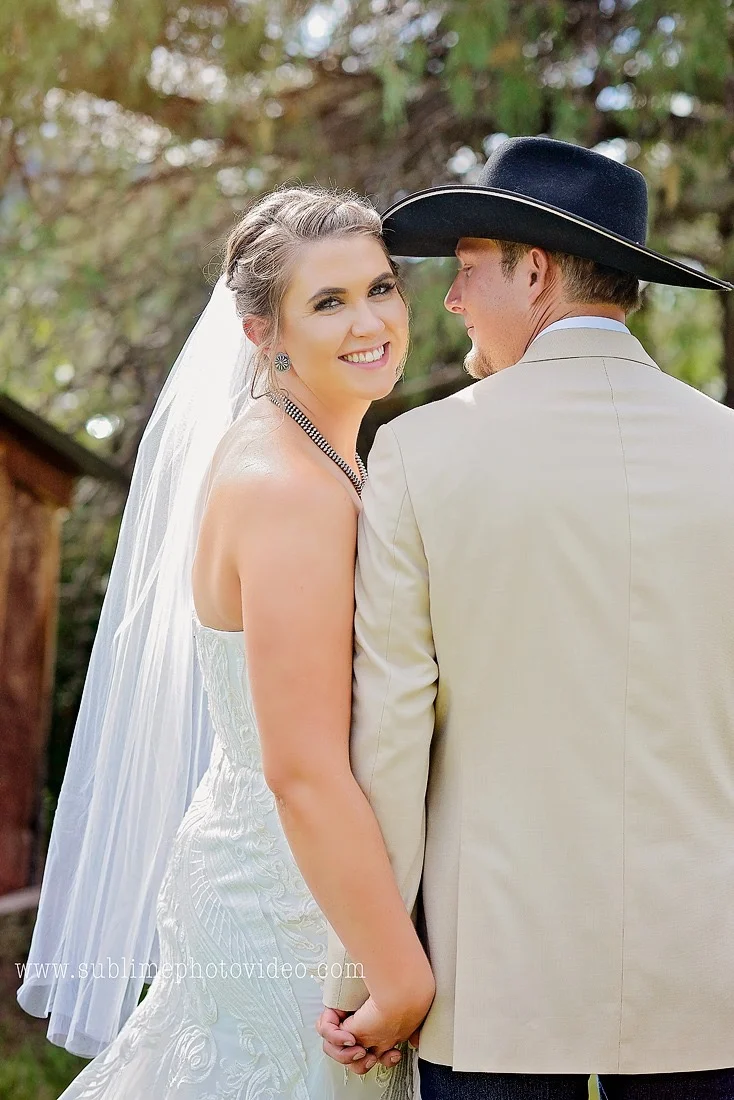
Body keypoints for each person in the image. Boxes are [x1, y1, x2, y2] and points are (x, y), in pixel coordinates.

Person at [316, 136, 734, 1099]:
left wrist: (369, 978)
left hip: (494, 984)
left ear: (535, 271)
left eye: (467, 271)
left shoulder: (419, 454)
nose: (451, 300)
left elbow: (388, 742)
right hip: (709, 982)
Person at [16, 187, 429, 1099]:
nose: (371, 321)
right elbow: (302, 769)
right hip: (285, 903)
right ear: (261, 334)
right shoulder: (285, 486)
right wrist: (398, 973)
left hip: (301, 871)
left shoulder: (322, 450)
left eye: (382, 288)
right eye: (329, 302)